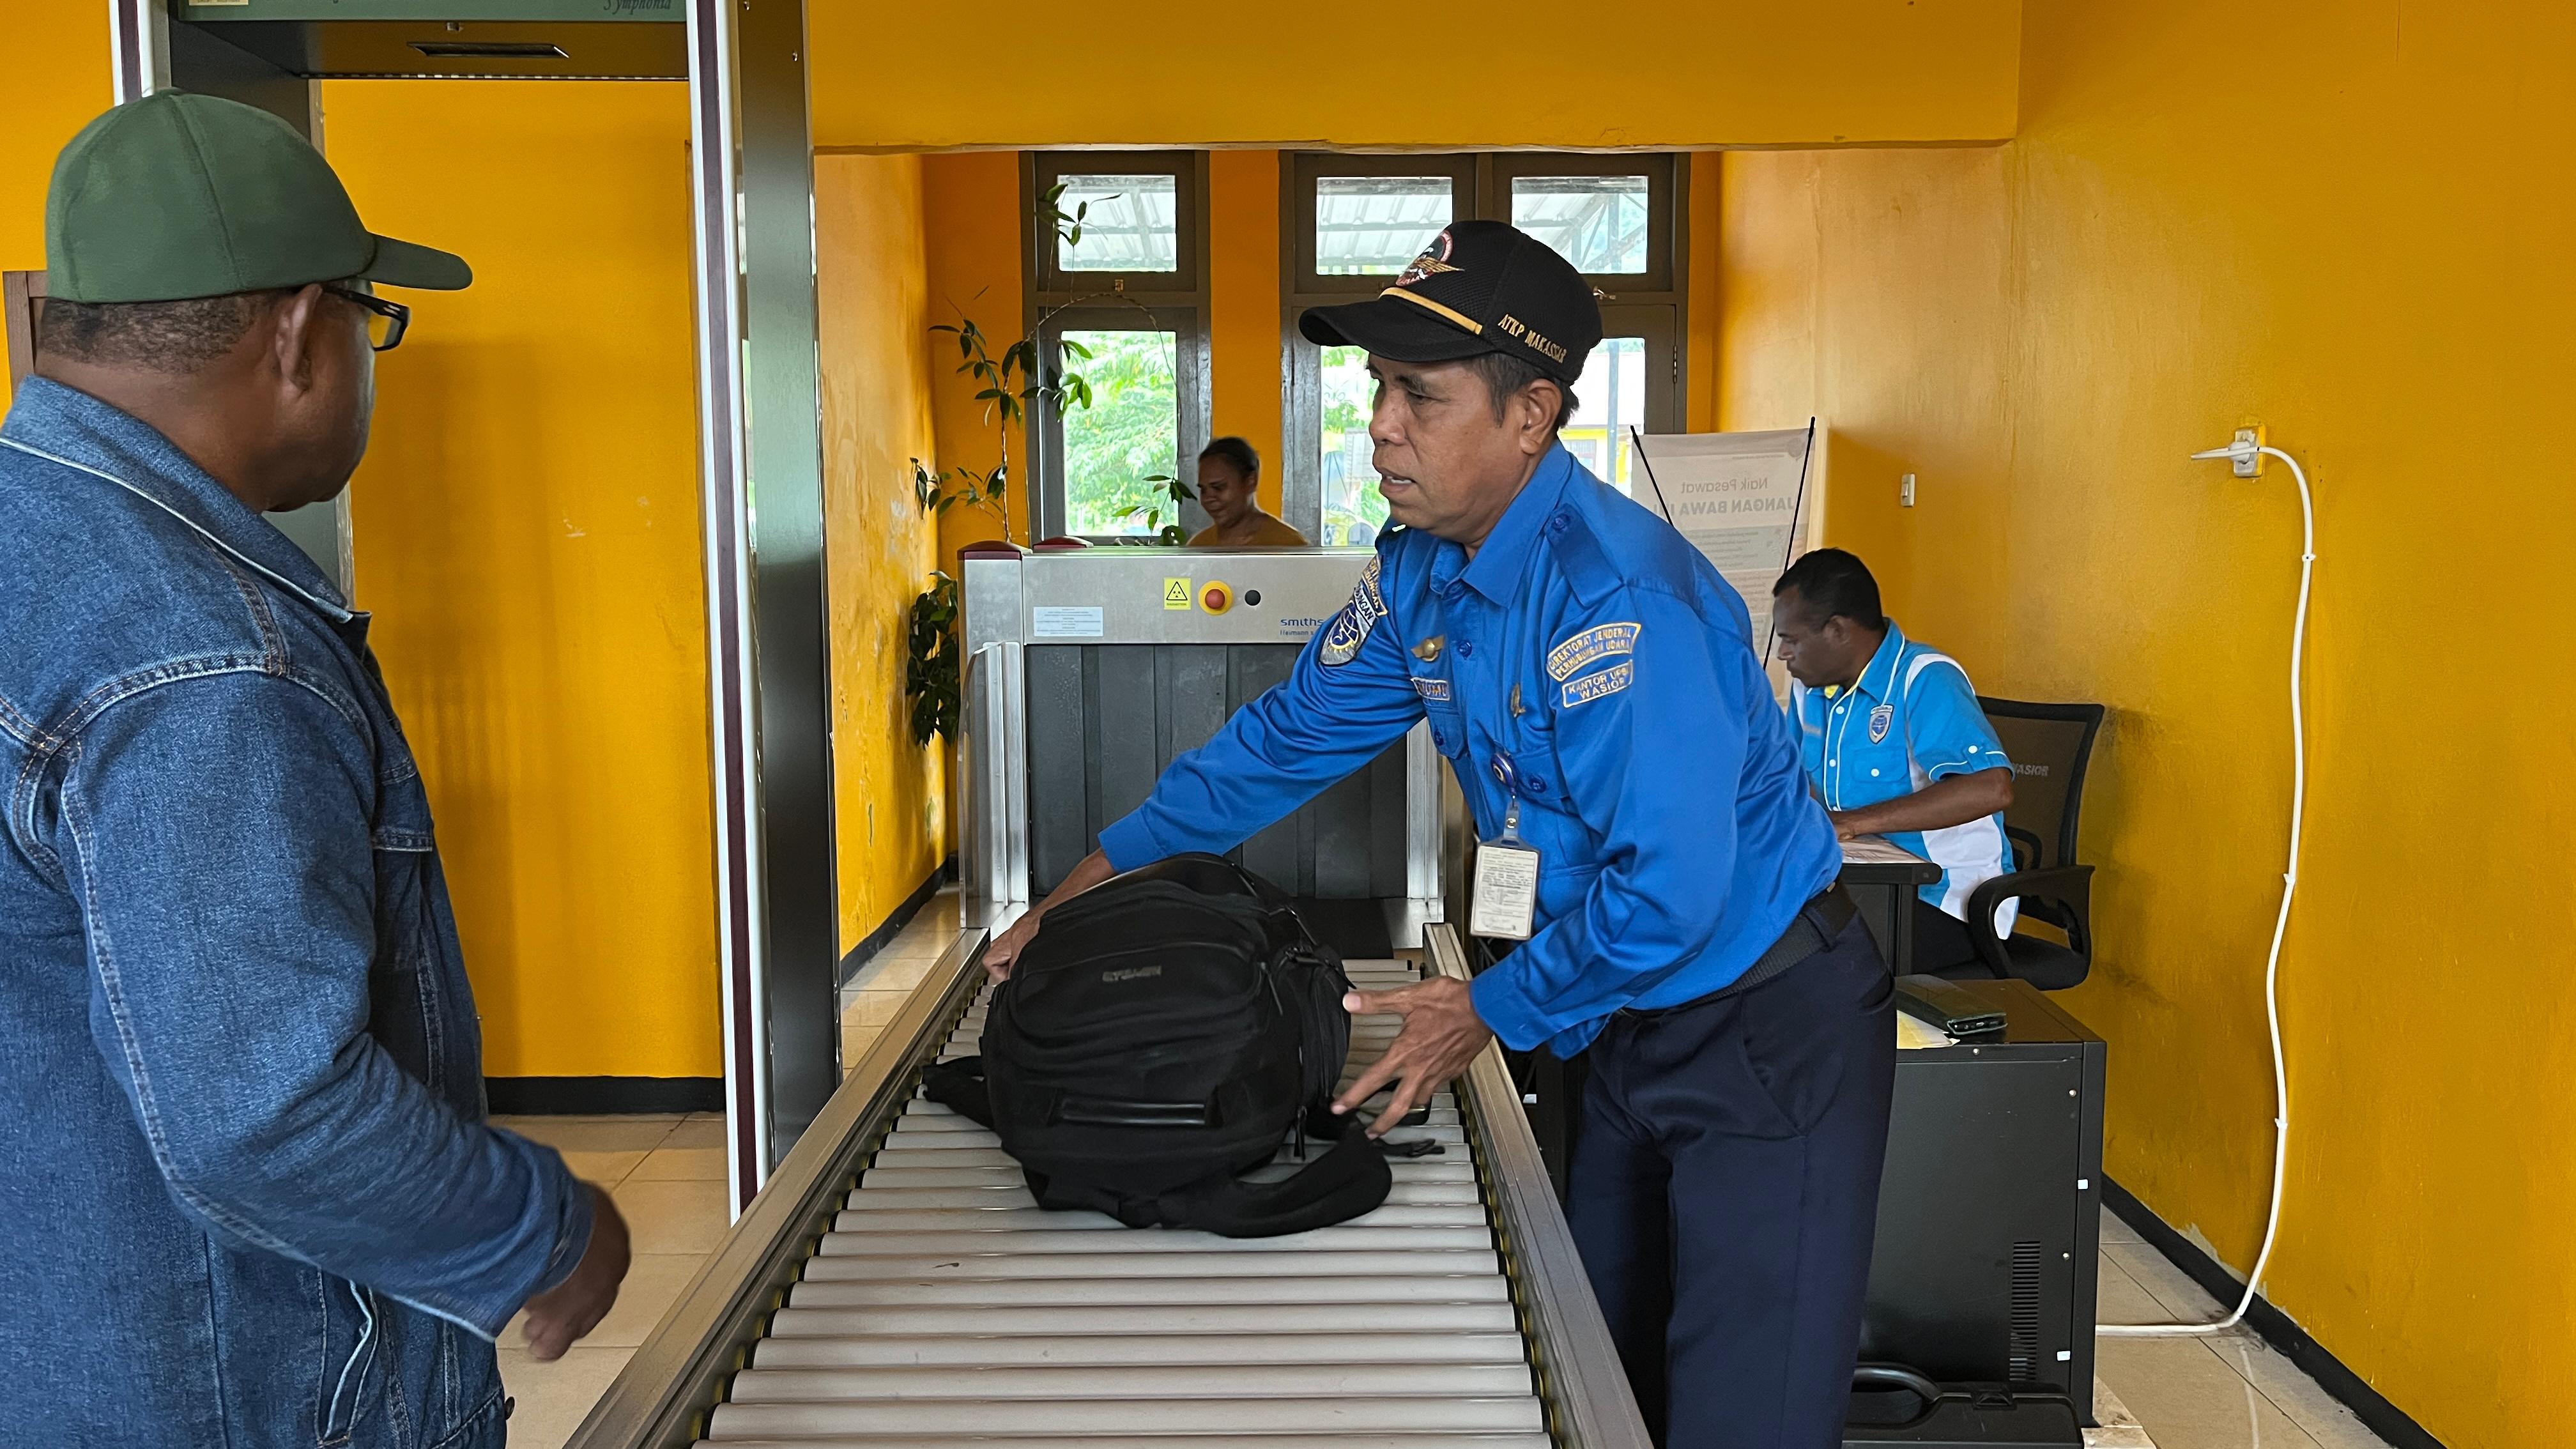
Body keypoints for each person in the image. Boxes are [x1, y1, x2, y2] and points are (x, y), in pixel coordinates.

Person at [985, 220, 1895, 1448]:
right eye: (1377, 388)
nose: (1379, 424)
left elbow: (1672, 893)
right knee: (1604, 1373)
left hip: (1762, 1029)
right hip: (1616, 1014)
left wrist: (1485, 1009)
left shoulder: (1624, 605)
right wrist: (1079, 894)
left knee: (1747, 1410)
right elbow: (1278, 742)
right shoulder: (1421, 569)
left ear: (1532, 415)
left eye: (1421, 392)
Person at [0, 93, 628, 1448]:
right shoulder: (209, 654)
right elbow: (262, 1114)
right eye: (368, 318)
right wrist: (540, 1229)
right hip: (222, 1388)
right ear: (296, 331)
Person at [1772, 548, 2017, 976]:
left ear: (1836, 631)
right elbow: (1792, 783)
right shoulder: (1808, 692)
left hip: (1946, 902)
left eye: (1791, 640)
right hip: (1858, 889)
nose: (1783, 655)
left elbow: (1992, 787)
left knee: (1798, 965)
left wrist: (1851, 822)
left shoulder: (1924, 677)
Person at [1186, 435, 1308, 546]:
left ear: (1251, 482)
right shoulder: (1199, 546)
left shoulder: (1289, 545)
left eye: (1218, 487)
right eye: (1204, 490)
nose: (1208, 499)